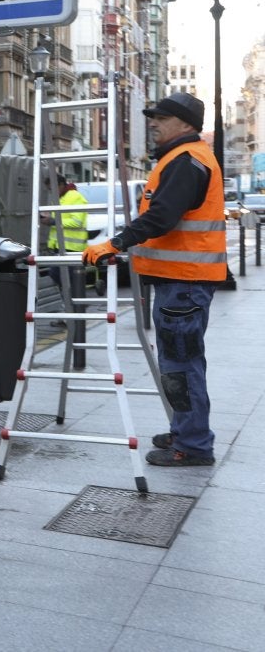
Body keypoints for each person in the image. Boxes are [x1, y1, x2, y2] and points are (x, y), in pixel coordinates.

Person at [83, 91, 225, 467]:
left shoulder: (186, 160)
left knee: (181, 365)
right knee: (180, 363)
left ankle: (193, 445)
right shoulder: (181, 159)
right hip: (181, 282)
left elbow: (162, 216)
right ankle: (185, 431)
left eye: (161, 117)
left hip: (185, 283)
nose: (153, 122)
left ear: (185, 124)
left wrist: (115, 242)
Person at [45, 175, 89, 301]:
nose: (51, 192)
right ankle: (70, 311)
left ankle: (75, 310)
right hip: (60, 248)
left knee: (68, 280)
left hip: (72, 249)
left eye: (52, 189)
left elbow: (77, 222)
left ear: (61, 185)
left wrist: (53, 221)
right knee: (61, 279)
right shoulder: (61, 198)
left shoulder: (75, 197)